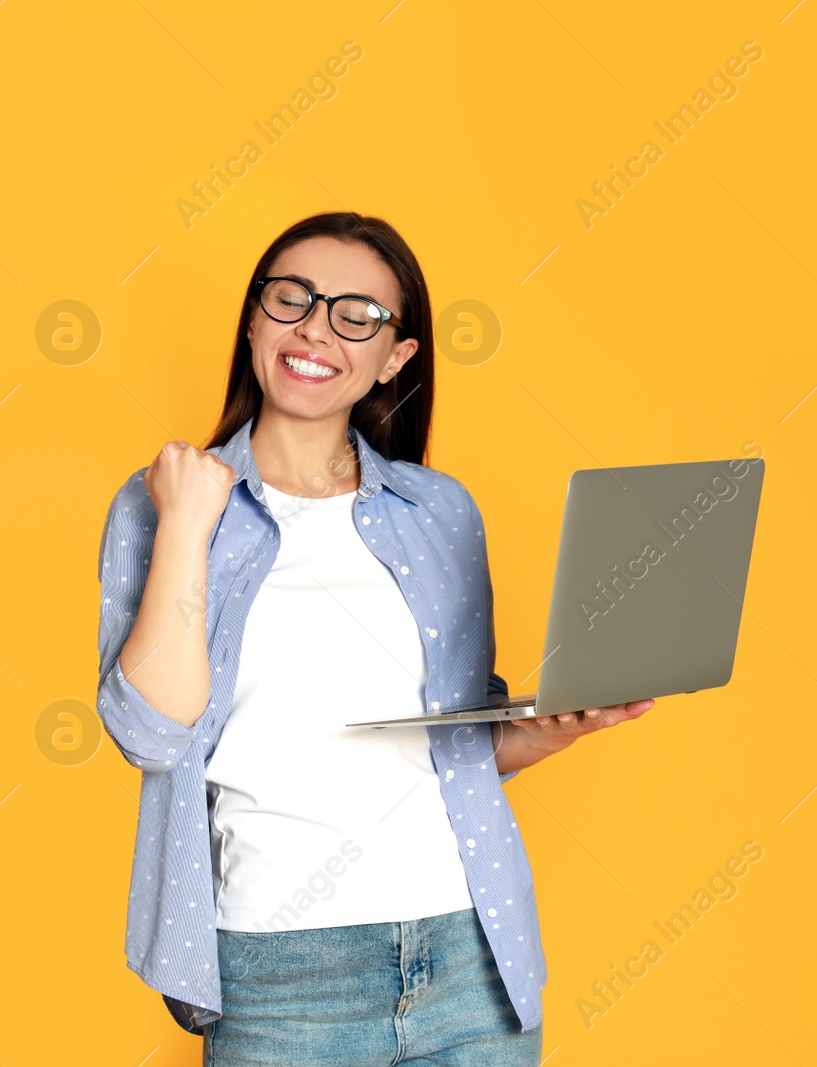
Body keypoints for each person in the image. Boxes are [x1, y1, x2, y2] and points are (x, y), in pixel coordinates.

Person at [94, 211, 656, 1065]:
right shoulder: (162, 504)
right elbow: (150, 732)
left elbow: (457, 744)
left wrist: (552, 729)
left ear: (395, 358)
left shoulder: (440, 511)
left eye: (359, 314)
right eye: (294, 299)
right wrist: (187, 522)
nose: (317, 328)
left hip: (470, 955)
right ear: (253, 318)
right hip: (279, 971)